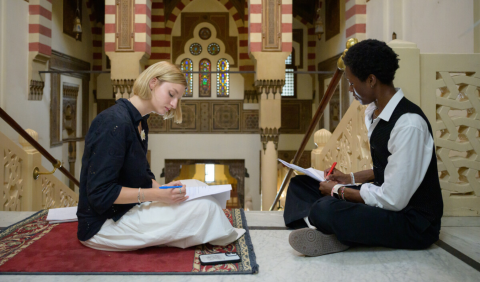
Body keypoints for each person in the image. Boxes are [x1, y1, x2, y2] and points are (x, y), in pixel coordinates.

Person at [283, 39, 443, 257]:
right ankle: (334, 232)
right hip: (388, 204)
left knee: (325, 208)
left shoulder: (409, 124)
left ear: (371, 80)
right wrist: (348, 179)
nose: (350, 89)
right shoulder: (376, 113)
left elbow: (393, 199)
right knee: (300, 185)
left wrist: (338, 191)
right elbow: (388, 170)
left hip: (411, 222)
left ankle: (333, 229)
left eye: (352, 83)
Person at [77, 61, 244, 251]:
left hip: (127, 208)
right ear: (153, 83)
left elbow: (139, 175)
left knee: (197, 186)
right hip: (104, 224)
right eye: (171, 94)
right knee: (205, 209)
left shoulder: (140, 122)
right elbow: (100, 193)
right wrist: (156, 195)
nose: (174, 104)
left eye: (178, 99)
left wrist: (163, 188)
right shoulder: (113, 122)